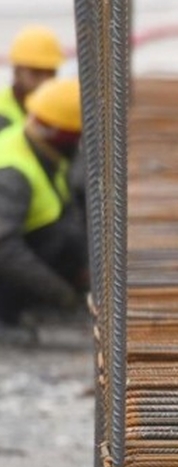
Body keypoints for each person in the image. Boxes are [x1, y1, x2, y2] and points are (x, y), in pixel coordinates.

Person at [0, 77, 89, 345]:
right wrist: (61, 294)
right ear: (66, 137)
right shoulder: (13, 173)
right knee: (59, 238)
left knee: (67, 232)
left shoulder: (40, 148)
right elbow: (4, 247)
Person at [0, 25, 66, 132]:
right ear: (17, 71)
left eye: (51, 72)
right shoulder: (2, 112)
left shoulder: (62, 112)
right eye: (36, 72)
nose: (45, 80)